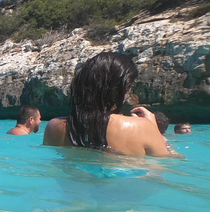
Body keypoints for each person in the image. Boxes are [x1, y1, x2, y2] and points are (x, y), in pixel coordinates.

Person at [43, 52, 180, 157]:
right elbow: (168, 163)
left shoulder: (54, 127)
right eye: (129, 88)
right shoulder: (142, 127)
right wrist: (156, 132)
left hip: (73, 192)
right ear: (123, 88)